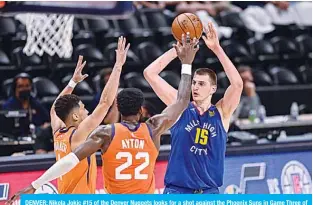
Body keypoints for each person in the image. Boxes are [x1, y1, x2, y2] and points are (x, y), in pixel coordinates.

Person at [6, 33, 198, 201]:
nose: (86, 111)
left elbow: (66, 152)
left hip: (97, 198)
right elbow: (181, 101)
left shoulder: (97, 133)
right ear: (141, 110)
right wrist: (186, 63)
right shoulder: (152, 128)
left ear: (120, 110)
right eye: (82, 108)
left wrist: (35, 184)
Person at [143, 22, 243, 194]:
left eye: (201, 84)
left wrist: (217, 49)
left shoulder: (221, 112)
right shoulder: (180, 107)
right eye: (194, 83)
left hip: (209, 192)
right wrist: (179, 49)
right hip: (178, 192)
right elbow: (150, 73)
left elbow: (238, 84)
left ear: (213, 89)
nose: (195, 87)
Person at [2, 73, 50, 137]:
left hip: (36, 139)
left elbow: (47, 121)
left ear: (31, 87)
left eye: (27, 86)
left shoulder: (36, 103)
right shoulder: (8, 106)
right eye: (20, 86)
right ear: (15, 88)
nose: (24, 89)